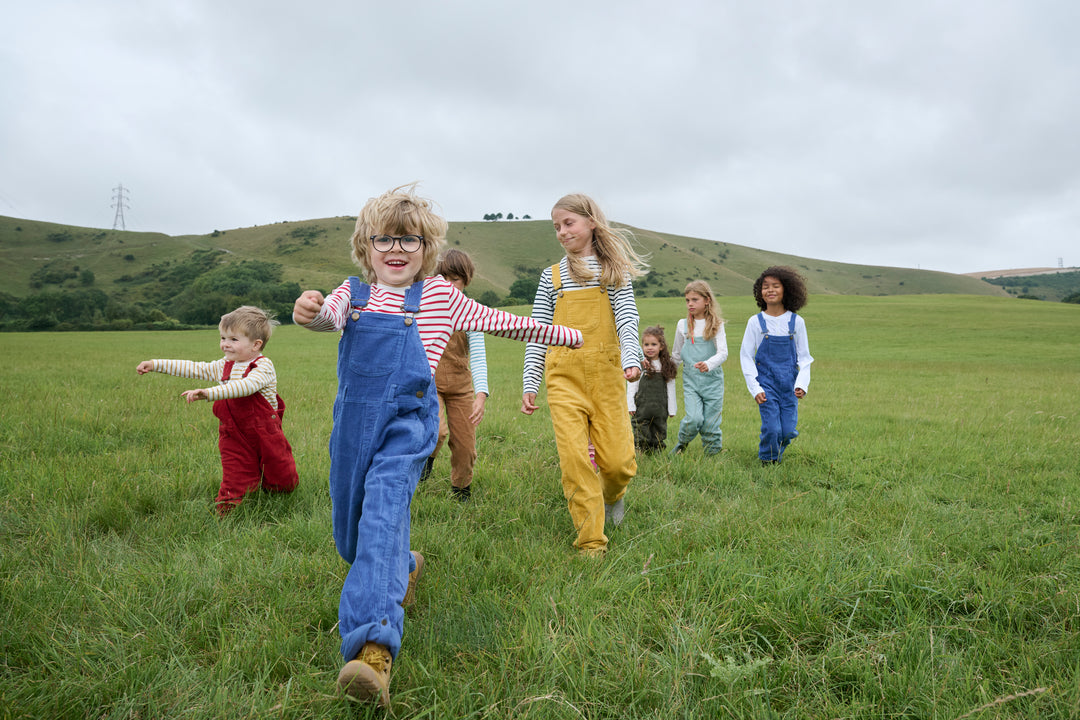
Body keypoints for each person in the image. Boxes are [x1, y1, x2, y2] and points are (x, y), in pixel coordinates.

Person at [292, 184, 582, 707]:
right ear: (366, 247)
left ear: (426, 249)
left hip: (408, 422)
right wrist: (307, 309)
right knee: (352, 533)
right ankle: (400, 567)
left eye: (410, 240)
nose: (397, 249)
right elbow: (325, 319)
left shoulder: (440, 297)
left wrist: (566, 334)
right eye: (385, 240)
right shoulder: (349, 294)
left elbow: (502, 322)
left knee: (383, 508)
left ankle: (373, 650)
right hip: (355, 423)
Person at [521, 193, 647, 557]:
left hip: (608, 376)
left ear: (591, 221)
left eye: (568, 223)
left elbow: (626, 318)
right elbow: (537, 330)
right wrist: (530, 380)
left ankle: (614, 495)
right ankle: (591, 541)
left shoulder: (613, 272)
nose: (561, 232)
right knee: (575, 460)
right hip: (564, 378)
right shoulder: (551, 277)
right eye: (556, 227)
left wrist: (632, 357)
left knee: (618, 464)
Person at [135, 306, 298, 515]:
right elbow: (195, 368)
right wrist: (156, 364)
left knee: (280, 473)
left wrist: (210, 392)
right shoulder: (225, 365)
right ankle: (228, 509)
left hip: (265, 433)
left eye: (233, 339)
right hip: (233, 434)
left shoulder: (262, 367)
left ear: (256, 345)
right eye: (223, 338)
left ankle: (279, 497)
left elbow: (245, 387)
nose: (225, 345)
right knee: (235, 471)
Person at [419, 248, 489, 501]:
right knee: (436, 432)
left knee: (466, 447)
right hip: (429, 384)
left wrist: (480, 395)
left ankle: (461, 491)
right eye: (444, 277)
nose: (449, 285)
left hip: (462, 386)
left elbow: (479, 356)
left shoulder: (471, 311)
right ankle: (426, 460)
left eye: (456, 279)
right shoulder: (424, 310)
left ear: (466, 280)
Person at [739, 266, 813, 465]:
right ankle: (768, 461)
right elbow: (746, 356)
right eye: (765, 287)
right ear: (759, 291)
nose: (769, 290)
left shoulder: (797, 322)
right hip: (766, 383)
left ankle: (776, 452)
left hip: (789, 384)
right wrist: (755, 388)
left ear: (786, 290)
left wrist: (802, 385)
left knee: (788, 430)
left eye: (775, 286)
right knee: (772, 428)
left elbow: (805, 358)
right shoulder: (755, 322)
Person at [671, 280, 728, 456]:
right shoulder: (682, 325)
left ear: (707, 300)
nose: (690, 304)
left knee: (710, 423)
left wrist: (708, 364)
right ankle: (682, 444)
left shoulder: (716, 324)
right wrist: (665, 373)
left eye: (695, 299)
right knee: (694, 419)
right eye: (687, 300)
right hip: (691, 381)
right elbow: (676, 354)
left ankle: (713, 456)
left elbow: (723, 353)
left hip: (713, 381)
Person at [626, 325, 678, 453]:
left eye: (653, 344)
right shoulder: (640, 364)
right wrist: (630, 405)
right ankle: (640, 453)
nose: (649, 348)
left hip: (660, 408)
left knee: (659, 432)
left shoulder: (666, 365)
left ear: (661, 346)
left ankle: (656, 453)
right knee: (641, 432)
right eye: (646, 344)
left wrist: (672, 408)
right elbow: (632, 385)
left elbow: (670, 388)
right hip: (642, 408)